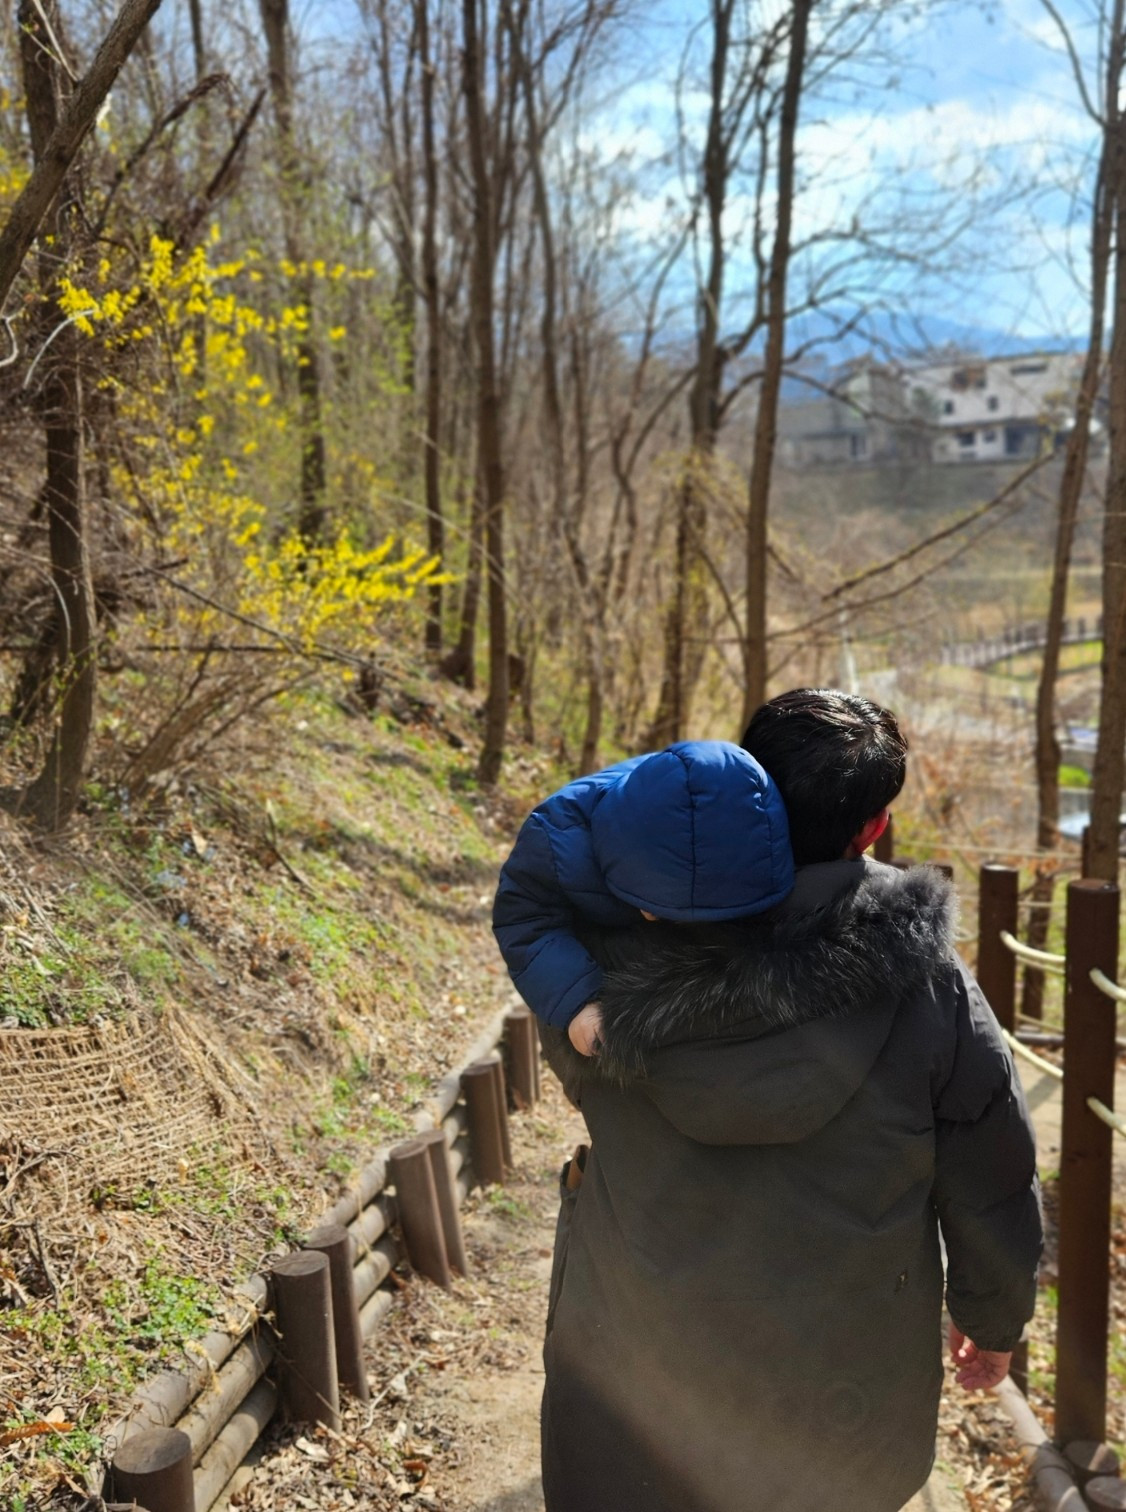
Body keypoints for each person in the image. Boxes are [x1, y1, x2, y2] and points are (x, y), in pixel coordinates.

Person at [536, 688, 1042, 1512]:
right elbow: (991, 1166)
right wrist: (993, 1320)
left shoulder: (622, 933)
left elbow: (572, 1063)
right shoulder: (929, 981)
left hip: (633, 1365)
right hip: (843, 1388)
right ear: (873, 827)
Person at [492, 740, 794, 1052]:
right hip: (596, 945)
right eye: (651, 904)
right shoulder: (553, 841)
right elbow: (525, 921)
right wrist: (578, 1000)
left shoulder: (753, 821)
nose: (653, 915)